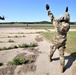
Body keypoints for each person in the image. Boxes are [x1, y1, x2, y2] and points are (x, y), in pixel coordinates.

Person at [46, 4, 70, 73]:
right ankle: (61, 67)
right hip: (63, 42)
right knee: (61, 55)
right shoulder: (67, 25)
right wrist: (67, 12)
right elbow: (68, 19)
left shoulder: (57, 24)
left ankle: (49, 58)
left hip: (56, 41)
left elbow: (51, 17)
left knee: (52, 49)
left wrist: (48, 10)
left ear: (60, 19)